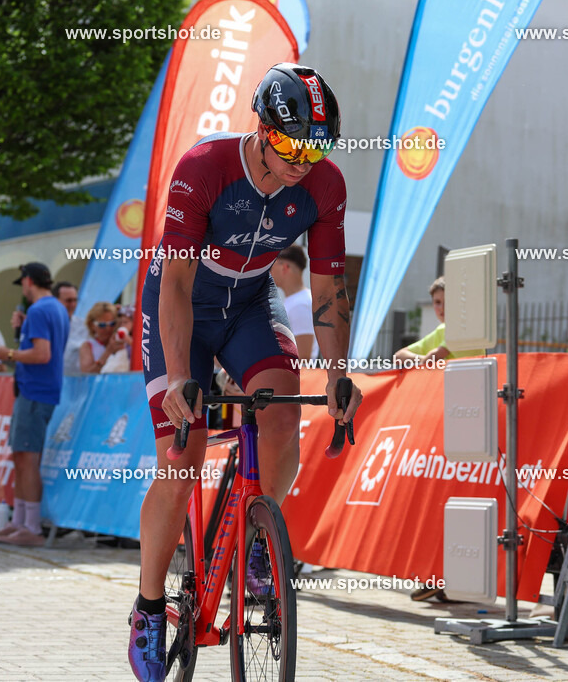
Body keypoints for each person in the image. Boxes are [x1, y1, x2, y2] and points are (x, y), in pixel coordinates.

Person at [128, 63, 361, 681]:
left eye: (319, 145)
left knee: (284, 411)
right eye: (292, 143)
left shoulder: (326, 186)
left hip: (251, 303)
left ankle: (257, 539)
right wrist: (180, 374)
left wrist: (337, 374)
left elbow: (329, 286)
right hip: (181, 305)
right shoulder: (204, 167)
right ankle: (151, 606)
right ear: (261, 128)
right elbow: (174, 280)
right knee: (181, 464)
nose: (303, 159)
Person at [0, 263, 69, 547]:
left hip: (35, 392)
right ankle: (20, 521)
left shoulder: (39, 310)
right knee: (22, 457)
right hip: (40, 391)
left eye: (23, 282)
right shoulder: (55, 308)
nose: (22, 287)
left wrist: (8, 353)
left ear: (29, 281)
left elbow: (42, 354)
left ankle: (30, 526)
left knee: (27, 459)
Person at [394, 277, 482, 364]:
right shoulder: (441, 330)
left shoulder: (465, 327)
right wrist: (423, 359)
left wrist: (426, 360)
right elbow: (398, 357)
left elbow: (435, 356)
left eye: (448, 302)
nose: (442, 308)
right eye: (437, 302)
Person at [272, 244, 318, 359]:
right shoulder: (298, 301)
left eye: (271, 267)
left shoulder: (300, 304)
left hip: (298, 375)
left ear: (285, 267)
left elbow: (304, 356)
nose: (269, 272)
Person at [79, 302, 127, 373]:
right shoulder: (87, 346)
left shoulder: (124, 340)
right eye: (102, 325)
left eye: (112, 323)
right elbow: (87, 375)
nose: (108, 328)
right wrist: (108, 351)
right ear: (92, 325)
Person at [55, 281, 87, 375]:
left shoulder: (84, 325)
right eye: (68, 301)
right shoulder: (45, 325)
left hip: (76, 384)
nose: (73, 305)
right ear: (55, 301)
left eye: (75, 300)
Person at [100, 304, 134, 374]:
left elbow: (139, 351)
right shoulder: (117, 337)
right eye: (120, 323)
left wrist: (130, 341)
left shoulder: (138, 338)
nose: (122, 325)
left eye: (125, 322)